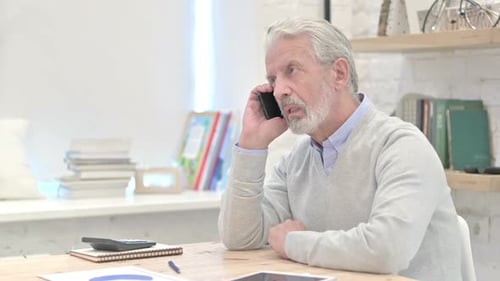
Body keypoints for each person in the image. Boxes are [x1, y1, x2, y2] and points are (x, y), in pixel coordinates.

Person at [218, 18, 462, 281]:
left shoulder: (401, 146)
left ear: (339, 74)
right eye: (272, 79)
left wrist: (294, 242)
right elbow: (240, 237)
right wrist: (251, 145)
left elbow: (387, 250)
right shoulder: (297, 162)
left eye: (292, 70)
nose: (279, 91)